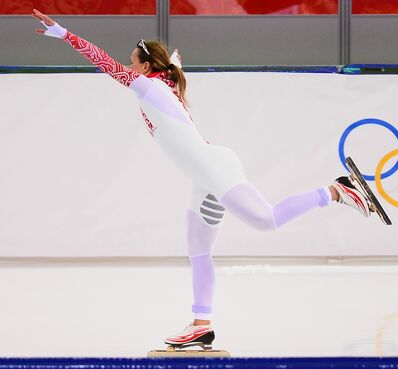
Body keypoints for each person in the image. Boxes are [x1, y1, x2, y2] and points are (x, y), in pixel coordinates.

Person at [31, 9, 374, 349]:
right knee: (198, 252)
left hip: (214, 168)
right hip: (205, 177)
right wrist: (175, 62)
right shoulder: (163, 84)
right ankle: (201, 325)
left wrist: (63, 34)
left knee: (266, 220)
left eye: (133, 62)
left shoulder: (148, 86)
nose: (128, 67)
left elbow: (104, 62)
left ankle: (336, 191)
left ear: (146, 68)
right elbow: (173, 68)